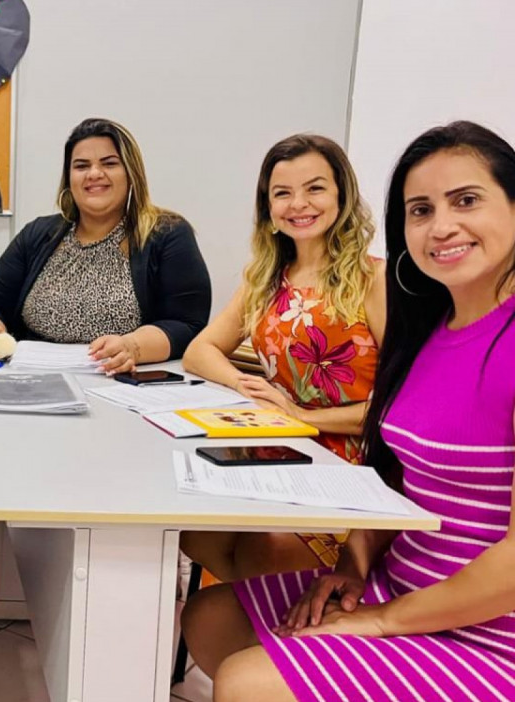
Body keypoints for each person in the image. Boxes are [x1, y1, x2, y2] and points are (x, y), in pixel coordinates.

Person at [183, 121, 515, 702]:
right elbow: (398, 469)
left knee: (244, 680)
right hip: (395, 577)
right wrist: (356, 568)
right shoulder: (431, 329)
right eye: (419, 209)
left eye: (466, 200)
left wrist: (384, 620)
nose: (441, 226)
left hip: (488, 629)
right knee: (210, 617)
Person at [180, 135, 385, 581]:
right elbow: (199, 352)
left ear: (341, 196)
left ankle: (274, 626)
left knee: (262, 550)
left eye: (314, 188)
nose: (298, 204)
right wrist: (246, 386)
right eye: (282, 193)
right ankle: (256, 619)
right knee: (192, 532)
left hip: (354, 463)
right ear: (267, 207)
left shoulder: (373, 278)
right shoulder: (267, 278)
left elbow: (399, 406)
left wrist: (300, 414)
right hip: (281, 450)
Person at [0, 117, 211, 373]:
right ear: (69, 178)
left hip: (120, 381)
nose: (94, 174)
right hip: (32, 376)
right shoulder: (38, 234)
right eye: (81, 166)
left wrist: (133, 346)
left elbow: (187, 324)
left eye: (110, 163)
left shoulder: (167, 234)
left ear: (131, 173)